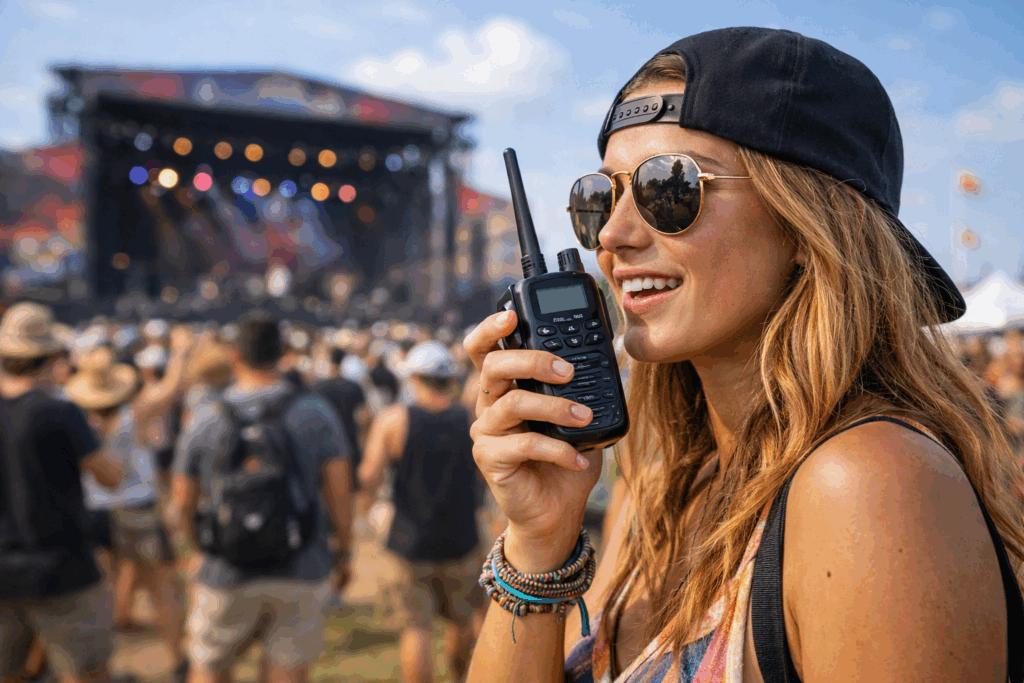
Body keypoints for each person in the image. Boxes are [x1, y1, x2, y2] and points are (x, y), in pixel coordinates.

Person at [464, 27, 1024, 683]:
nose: (612, 236)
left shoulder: (869, 484)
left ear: (805, 221)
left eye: (668, 188)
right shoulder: (664, 482)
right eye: (599, 198)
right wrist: (536, 540)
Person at [167, 311, 354, 683]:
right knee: (287, 670)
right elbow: (339, 491)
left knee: (210, 667)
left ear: (234, 356)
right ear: (283, 353)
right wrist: (343, 551)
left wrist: (193, 551)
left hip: (224, 565)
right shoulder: (315, 412)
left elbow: (182, 500)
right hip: (300, 561)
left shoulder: (206, 416)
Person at [0, 302, 125, 683]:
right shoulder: (60, 412)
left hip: (3, 569)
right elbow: (110, 477)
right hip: (63, 569)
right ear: (52, 356)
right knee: (86, 674)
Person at [358, 341, 480, 683]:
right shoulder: (469, 418)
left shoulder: (394, 420)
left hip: (408, 539)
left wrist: (369, 509)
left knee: (416, 630)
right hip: (461, 537)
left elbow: (369, 474)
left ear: (414, 377)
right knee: (464, 621)